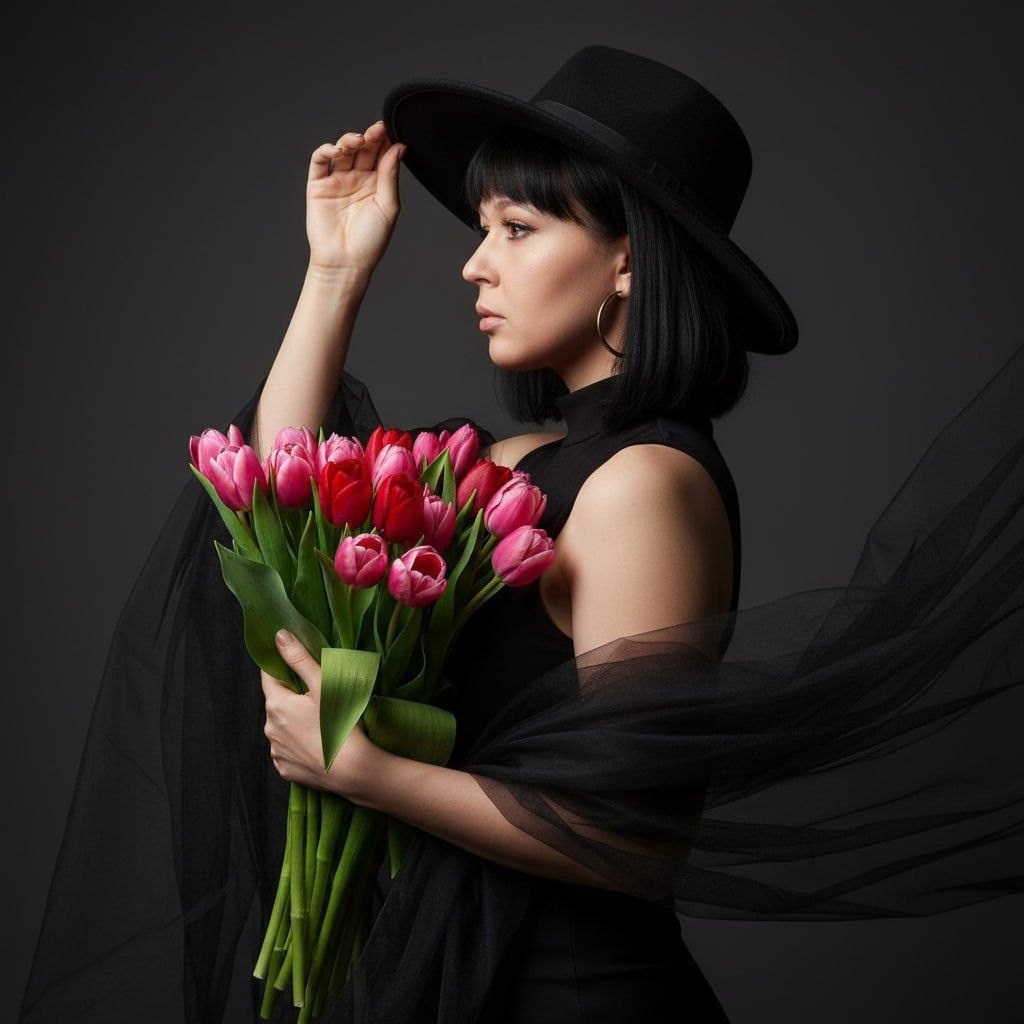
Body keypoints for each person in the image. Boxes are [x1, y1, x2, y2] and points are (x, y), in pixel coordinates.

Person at [18, 46, 1024, 1024]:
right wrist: (334, 273)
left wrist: (369, 774)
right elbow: (276, 508)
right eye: (482, 228)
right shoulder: (515, 460)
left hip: (571, 991)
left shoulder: (642, 486)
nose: (473, 263)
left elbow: (633, 844)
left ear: (627, 259)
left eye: (517, 228)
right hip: (448, 972)